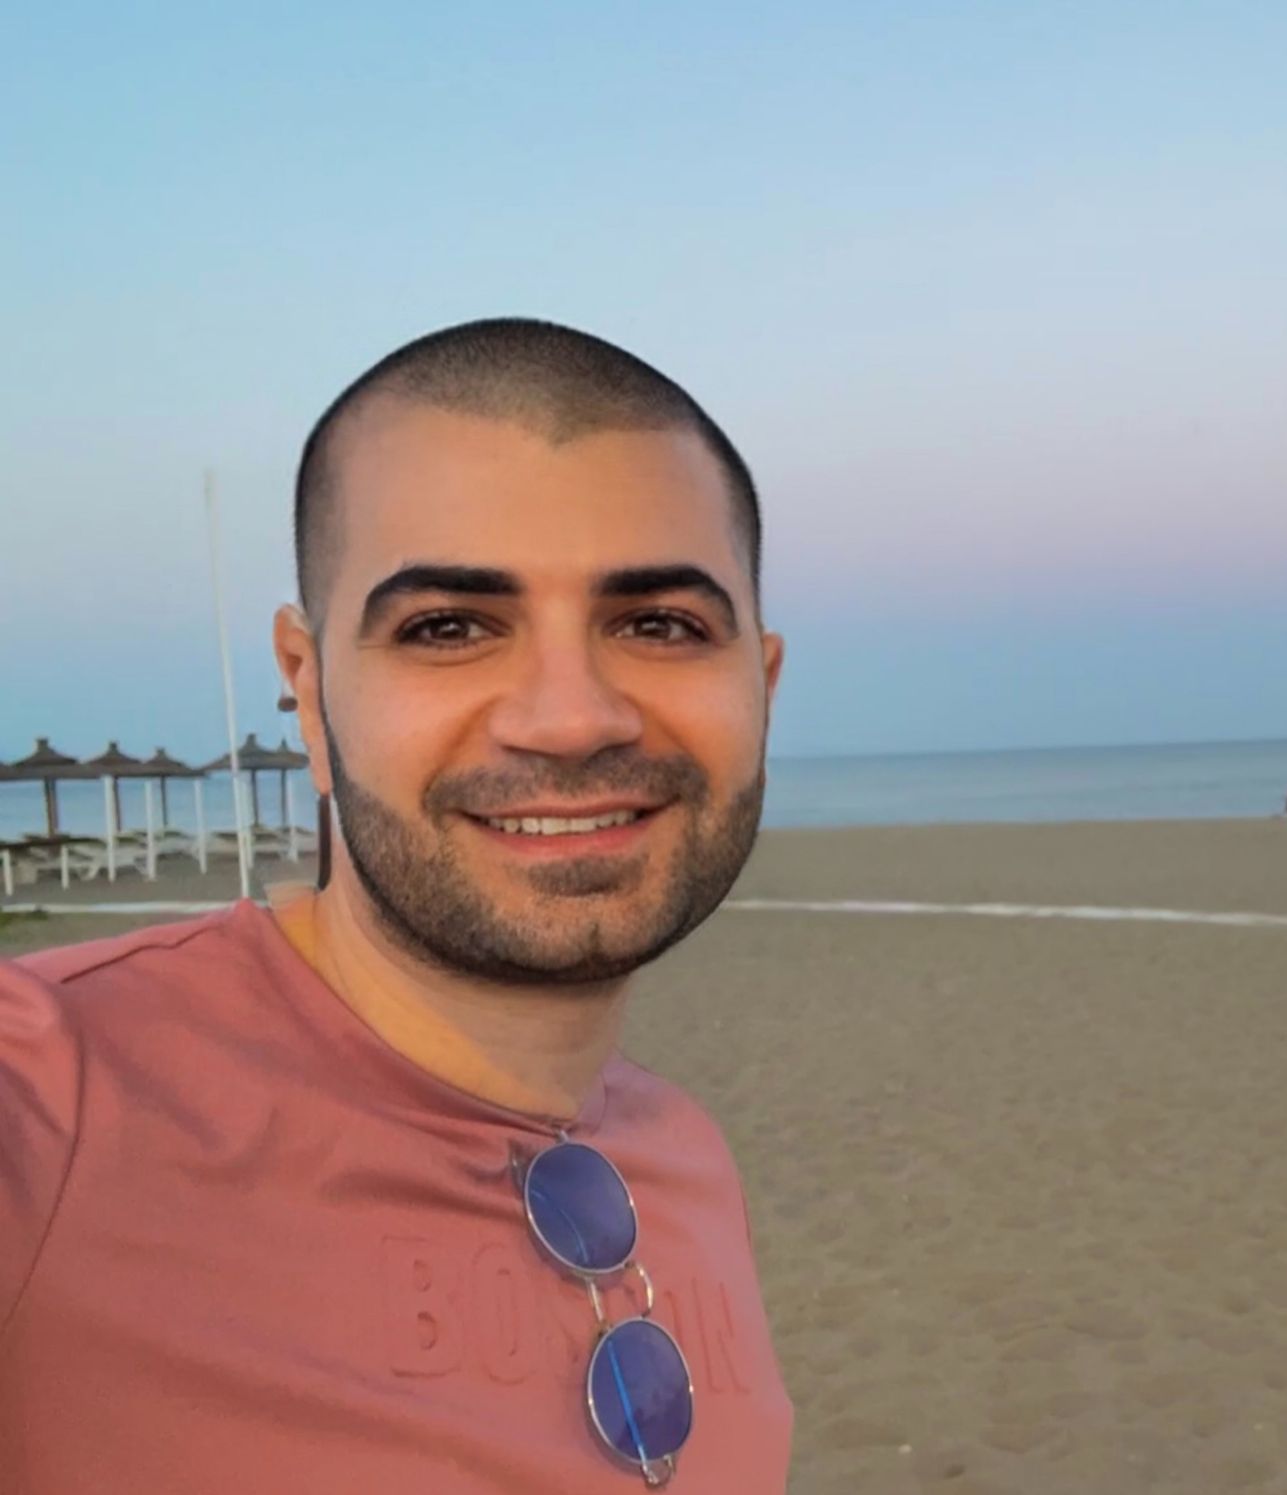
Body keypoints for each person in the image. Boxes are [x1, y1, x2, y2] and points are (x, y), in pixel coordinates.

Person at [0, 319, 792, 1492]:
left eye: (659, 623)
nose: (571, 718)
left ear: (759, 687)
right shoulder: (57, 1098)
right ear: (310, 691)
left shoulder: (687, 1158)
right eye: (448, 627)